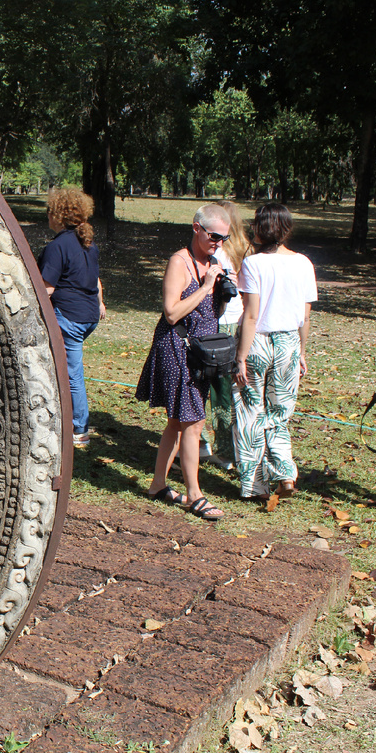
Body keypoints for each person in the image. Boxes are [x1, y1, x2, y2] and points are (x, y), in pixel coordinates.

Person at [137, 204, 228, 521]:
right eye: (214, 236)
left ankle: (158, 485)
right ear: (196, 228)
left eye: (224, 238)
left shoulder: (212, 262)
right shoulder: (179, 262)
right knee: (193, 422)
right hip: (177, 346)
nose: (218, 242)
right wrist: (205, 287)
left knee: (178, 421)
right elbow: (172, 312)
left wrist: (222, 291)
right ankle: (194, 494)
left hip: (201, 352)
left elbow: (210, 313)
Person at [232, 204, 315, 501]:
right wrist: (302, 352)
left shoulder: (253, 264)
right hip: (289, 343)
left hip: (257, 342)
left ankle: (254, 484)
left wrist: (240, 357)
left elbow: (251, 316)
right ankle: (284, 471)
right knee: (280, 413)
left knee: (249, 411)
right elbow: (305, 317)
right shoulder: (304, 263)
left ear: (258, 228)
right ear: (288, 229)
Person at [38, 187, 104, 447]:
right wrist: (101, 303)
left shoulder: (57, 246)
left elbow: (46, 289)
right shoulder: (87, 242)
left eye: (49, 211)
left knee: (72, 373)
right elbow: (95, 281)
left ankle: (79, 428)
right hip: (88, 316)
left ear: (58, 214)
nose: (47, 216)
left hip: (69, 318)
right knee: (69, 369)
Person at [203, 200, 251, 471]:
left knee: (217, 391)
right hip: (237, 325)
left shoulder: (217, 254)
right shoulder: (245, 251)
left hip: (218, 327)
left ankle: (224, 451)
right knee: (230, 391)